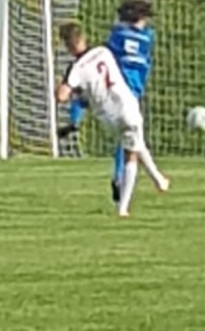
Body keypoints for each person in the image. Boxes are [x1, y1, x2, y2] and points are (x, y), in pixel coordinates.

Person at [55, 23, 168, 217]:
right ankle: (125, 206)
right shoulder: (104, 51)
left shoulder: (75, 69)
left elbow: (61, 96)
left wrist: (66, 87)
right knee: (132, 152)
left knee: (134, 145)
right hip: (127, 104)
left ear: (68, 46)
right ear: (83, 38)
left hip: (109, 116)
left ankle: (157, 181)